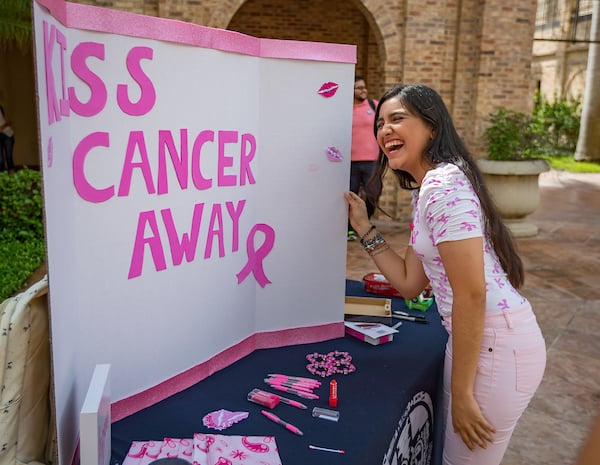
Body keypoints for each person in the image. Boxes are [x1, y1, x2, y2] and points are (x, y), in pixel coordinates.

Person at [345, 83, 546, 465]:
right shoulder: (429, 188)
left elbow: (472, 294)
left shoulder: (443, 185)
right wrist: (364, 229)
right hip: (482, 341)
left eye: (398, 119)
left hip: (495, 346)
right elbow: (409, 283)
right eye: (380, 123)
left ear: (432, 127)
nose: (384, 130)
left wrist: (464, 392)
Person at [347, 75, 381, 240]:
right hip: (350, 162)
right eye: (359, 87)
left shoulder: (374, 105)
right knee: (351, 196)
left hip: (372, 161)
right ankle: (350, 228)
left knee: (374, 193)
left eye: (364, 87)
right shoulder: (343, 108)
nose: (363, 90)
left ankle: (363, 222)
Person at [0, 103, 15, 173]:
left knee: (9, 158)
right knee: (0, 160)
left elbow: (9, 121)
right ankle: (3, 180)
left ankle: (12, 181)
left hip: (8, 135)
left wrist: (3, 126)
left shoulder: (1, 107)